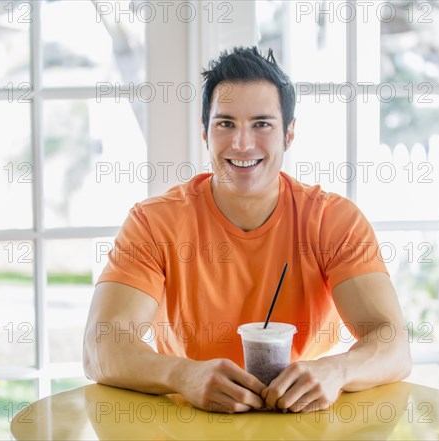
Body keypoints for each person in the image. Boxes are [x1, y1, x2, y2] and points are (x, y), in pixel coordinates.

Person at [83, 46, 411, 413]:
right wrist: (183, 375)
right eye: (226, 123)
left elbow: (394, 345)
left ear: (288, 134)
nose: (242, 143)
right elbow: (101, 347)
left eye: (262, 124)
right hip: (190, 423)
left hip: (303, 421)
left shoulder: (333, 220)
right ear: (205, 133)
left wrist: (337, 371)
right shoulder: (153, 222)